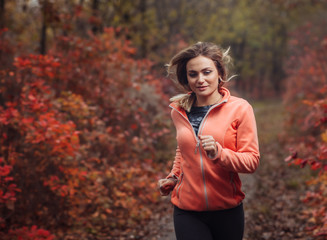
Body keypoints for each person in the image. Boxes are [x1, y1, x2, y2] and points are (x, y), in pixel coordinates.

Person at [157, 42, 260, 240]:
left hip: (227, 210)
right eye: (193, 74)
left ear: (219, 73)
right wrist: (173, 177)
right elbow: (184, 150)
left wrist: (219, 154)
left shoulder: (240, 109)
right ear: (186, 78)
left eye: (207, 72)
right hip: (187, 210)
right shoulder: (179, 110)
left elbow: (252, 161)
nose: (200, 80)